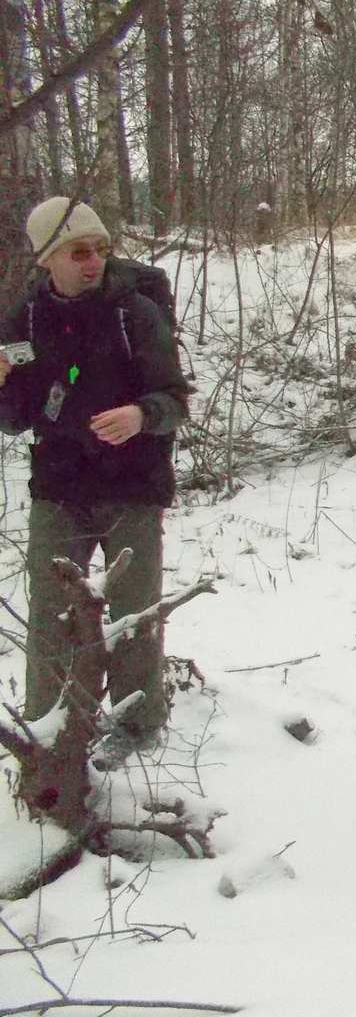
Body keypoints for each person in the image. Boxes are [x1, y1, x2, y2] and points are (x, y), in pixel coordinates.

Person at [0, 196, 190, 762]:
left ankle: (138, 726)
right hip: (59, 488)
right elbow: (14, 419)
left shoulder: (136, 312)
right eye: (79, 252)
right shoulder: (24, 321)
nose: (93, 261)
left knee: (134, 613)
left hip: (133, 486)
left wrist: (140, 416)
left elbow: (174, 400)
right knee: (51, 616)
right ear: (47, 259)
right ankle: (46, 730)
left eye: (101, 249)